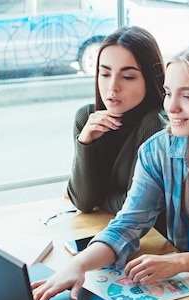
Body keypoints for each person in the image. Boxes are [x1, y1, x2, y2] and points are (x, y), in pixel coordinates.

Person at [33, 41, 189, 300]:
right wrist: (77, 264)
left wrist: (181, 262)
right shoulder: (158, 151)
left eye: (188, 96)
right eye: (168, 93)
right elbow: (128, 224)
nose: (172, 107)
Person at [66, 26, 166, 215]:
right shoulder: (87, 119)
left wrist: (100, 196)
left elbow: (134, 206)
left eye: (127, 77)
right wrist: (85, 142)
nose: (113, 87)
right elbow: (83, 202)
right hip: (107, 230)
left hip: (151, 238)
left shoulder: (156, 122)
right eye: (104, 74)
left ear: (150, 78)